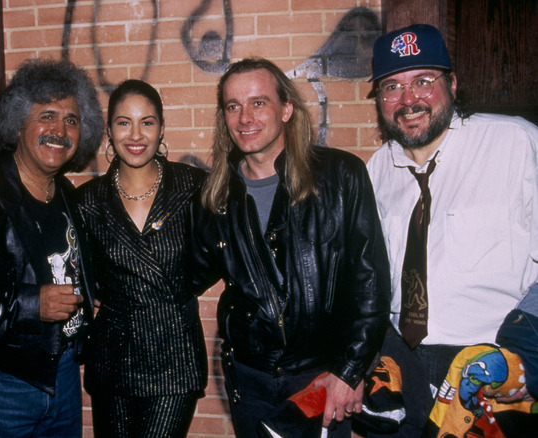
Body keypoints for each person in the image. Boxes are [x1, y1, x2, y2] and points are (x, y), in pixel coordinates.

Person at [190, 58, 391, 438]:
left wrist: (350, 370)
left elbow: (371, 286)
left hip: (320, 378)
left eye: (258, 103)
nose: (245, 117)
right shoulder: (216, 195)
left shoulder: (341, 175)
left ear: (285, 109)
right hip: (250, 380)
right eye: (233, 106)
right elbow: (187, 273)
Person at [365, 24, 538, 437]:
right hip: (403, 369)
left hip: (492, 373)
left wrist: (526, 354)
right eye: (392, 87)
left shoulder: (515, 143)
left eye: (423, 81)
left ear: (453, 83)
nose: (408, 100)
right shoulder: (375, 169)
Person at [0, 58, 105, 437]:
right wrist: (33, 304)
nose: (60, 130)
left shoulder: (66, 193)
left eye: (72, 120)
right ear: (17, 124)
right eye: (47, 115)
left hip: (61, 373)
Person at [76, 79, 208, 437]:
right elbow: (83, 272)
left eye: (147, 122)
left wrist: (173, 290)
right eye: (124, 122)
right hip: (113, 358)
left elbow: (214, 258)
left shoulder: (193, 186)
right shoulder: (87, 201)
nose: (136, 135)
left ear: (162, 128)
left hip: (175, 355)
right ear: (109, 130)